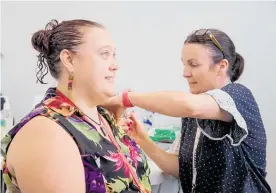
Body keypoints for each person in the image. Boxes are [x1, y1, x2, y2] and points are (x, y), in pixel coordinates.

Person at [105, 29, 271, 193]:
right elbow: (182, 170)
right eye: (184, 64)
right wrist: (142, 140)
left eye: (193, 64)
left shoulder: (238, 95)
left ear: (221, 66)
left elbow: (189, 105)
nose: (185, 73)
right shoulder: (192, 114)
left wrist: (125, 98)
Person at [1, 19, 151, 193]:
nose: (115, 65)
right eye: (104, 54)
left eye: (114, 55)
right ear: (69, 60)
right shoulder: (46, 134)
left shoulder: (102, 117)